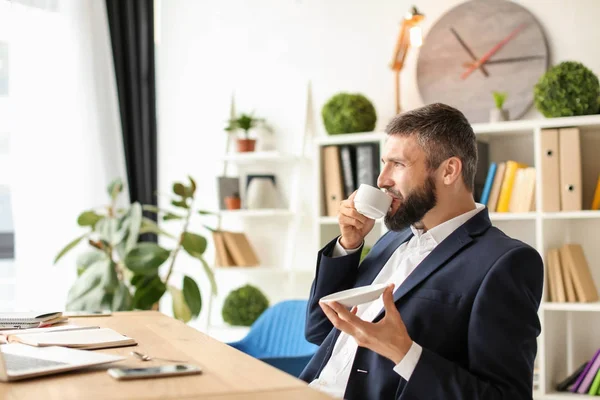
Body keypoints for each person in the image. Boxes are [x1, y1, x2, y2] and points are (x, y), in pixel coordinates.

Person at [299, 103, 543, 400]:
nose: (381, 180)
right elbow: (319, 330)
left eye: (398, 164)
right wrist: (348, 246)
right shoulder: (393, 239)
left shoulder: (505, 262)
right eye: (383, 163)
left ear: (449, 170)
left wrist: (405, 354)